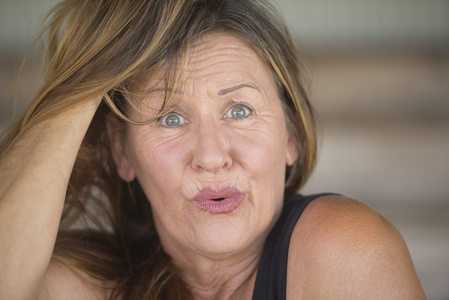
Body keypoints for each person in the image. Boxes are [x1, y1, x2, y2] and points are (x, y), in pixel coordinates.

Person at [0, 0, 425, 299]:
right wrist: (87, 76)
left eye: (239, 110)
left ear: (292, 135)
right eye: (170, 118)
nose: (210, 155)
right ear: (122, 150)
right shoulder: (93, 285)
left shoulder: (342, 247)